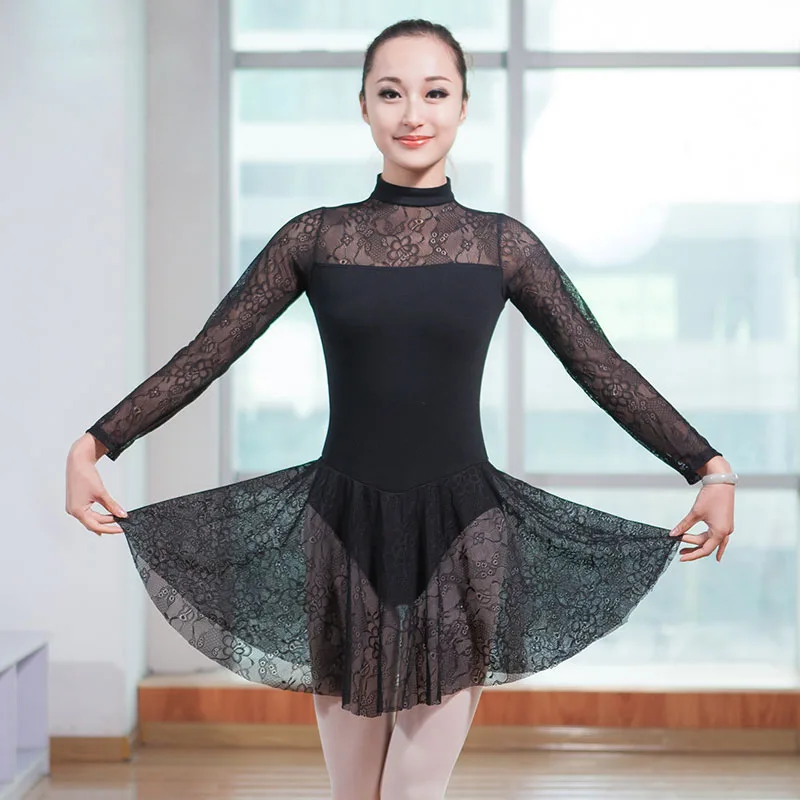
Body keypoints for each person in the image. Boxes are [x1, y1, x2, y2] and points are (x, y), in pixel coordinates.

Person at [65, 18, 737, 800]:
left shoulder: (503, 246)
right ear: (363, 106)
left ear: (463, 106)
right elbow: (205, 355)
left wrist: (709, 467)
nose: (413, 112)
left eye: (434, 92)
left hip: (462, 532)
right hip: (339, 530)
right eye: (391, 93)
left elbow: (601, 367)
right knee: (355, 794)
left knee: (416, 791)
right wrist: (95, 445)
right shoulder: (313, 240)